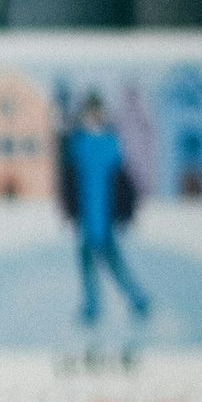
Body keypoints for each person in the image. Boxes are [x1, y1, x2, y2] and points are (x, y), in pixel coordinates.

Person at [62, 92, 149, 324]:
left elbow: (125, 185)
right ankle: (92, 307)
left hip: (107, 219)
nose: (92, 118)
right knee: (88, 266)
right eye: (88, 114)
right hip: (87, 220)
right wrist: (70, 212)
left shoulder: (112, 145)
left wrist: (127, 213)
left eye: (96, 113)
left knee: (115, 263)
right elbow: (69, 184)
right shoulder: (76, 146)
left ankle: (137, 299)